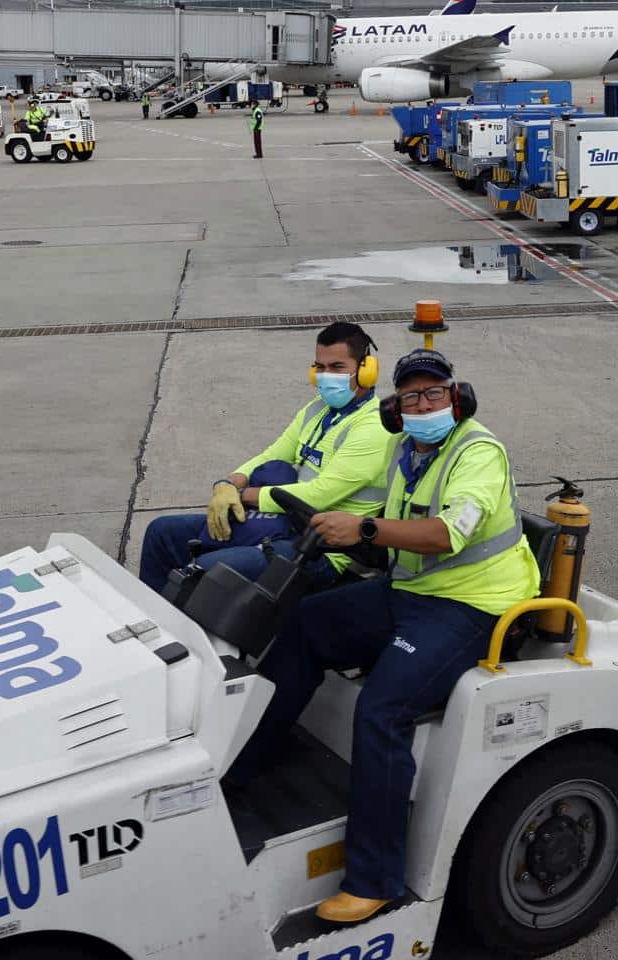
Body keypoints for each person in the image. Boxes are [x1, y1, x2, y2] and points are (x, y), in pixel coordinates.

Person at [225, 347, 540, 924]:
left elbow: (449, 533)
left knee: (382, 709)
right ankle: (246, 767)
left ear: (456, 397)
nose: (424, 405)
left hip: (473, 606)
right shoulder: (404, 450)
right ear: (396, 407)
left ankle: (376, 880)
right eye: (412, 396)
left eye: (434, 393)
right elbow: (379, 526)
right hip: (409, 591)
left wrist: (364, 527)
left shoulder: (478, 452)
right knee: (303, 625)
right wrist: (342, 531)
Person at [139, 321, 390, 591]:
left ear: (366, 370)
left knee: (207, 571)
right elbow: (273, 453)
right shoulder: (317, 410)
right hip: (285, 523)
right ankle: (152, 621)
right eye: (320, 367)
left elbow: (319, 494)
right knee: (161, 532)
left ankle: (188, 630)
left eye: (337, 367)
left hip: (325, 550)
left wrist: (244, 494)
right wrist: (229, 483)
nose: (326, 376)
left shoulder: (374, 428)